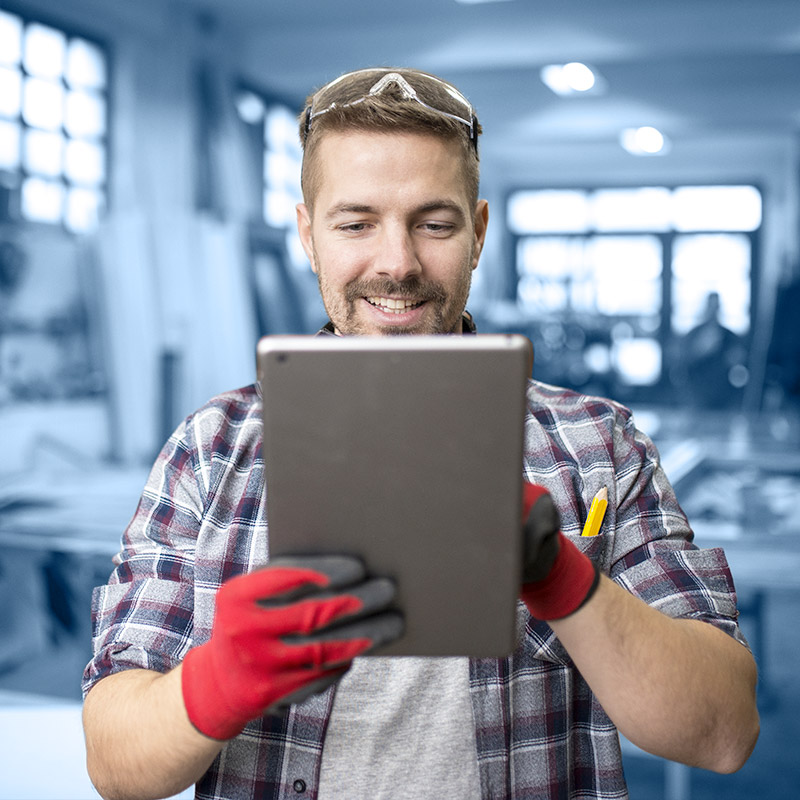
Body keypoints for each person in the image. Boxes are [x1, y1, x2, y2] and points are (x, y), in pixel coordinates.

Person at [82, 67, 759, 800]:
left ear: (479, 233)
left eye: (434, 223)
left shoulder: (601, 447)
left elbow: (722, 732)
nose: (397, 263)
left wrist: (561, 579)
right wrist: (221, 679)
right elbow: (116, 766)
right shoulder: (212, 451)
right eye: (356, 223)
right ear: (308, 235)